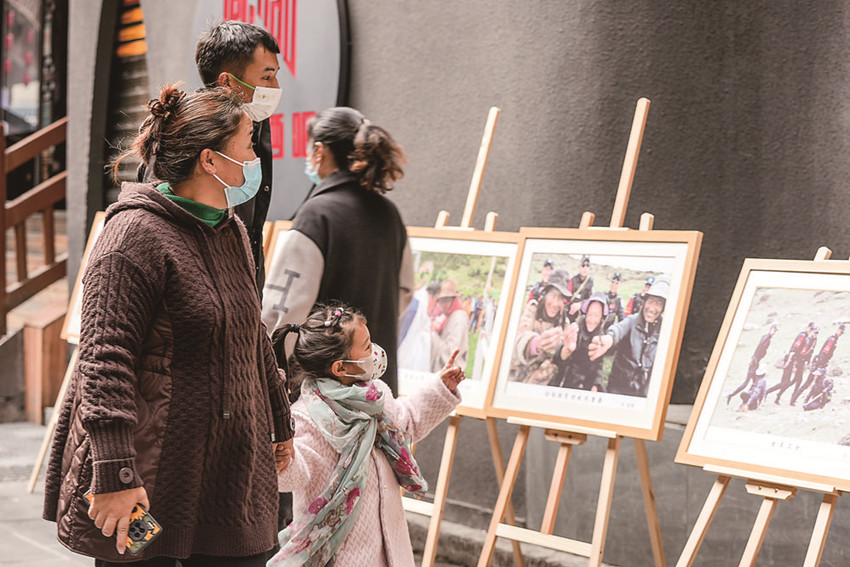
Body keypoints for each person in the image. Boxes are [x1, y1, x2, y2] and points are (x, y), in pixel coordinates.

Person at [43, 85, 294, 566]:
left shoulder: (230, 228)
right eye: (248, 144)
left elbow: (251, 332)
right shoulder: (133, 235)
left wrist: (279, 418)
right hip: (151, 473)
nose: (256, 157)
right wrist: (115, 472)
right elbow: (103, 360)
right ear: (210, 160)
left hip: (229, 470)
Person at [269, 304, 463, 566]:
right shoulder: (306, 416)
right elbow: (300, 469)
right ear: (340, 368)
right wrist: (284, 462)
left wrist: (441, 388)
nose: (376, 352)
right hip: (343, 553)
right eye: (368, 347)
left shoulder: (375, 395)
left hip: (389, 545)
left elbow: (405, 422)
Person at [261, 106, 413, 396]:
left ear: (319, 150)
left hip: (323, 398)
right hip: (376, 391)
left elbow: (282, 312)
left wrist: (269, 375)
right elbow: (404, 293)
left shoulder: (316, 215)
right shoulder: (389, 213)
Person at [136, 21, 282, 294]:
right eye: (267, 77)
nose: (275, 86)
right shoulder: (183, 138)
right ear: (227, 82)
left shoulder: (257, 126)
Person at [588, 276, 669, 397]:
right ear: (644, 302)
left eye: (659, 303)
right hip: (618, 387)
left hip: (642, 392)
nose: (652, 308)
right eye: (650, 301)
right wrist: (608, 339)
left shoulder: (665, 331)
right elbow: (619, 329)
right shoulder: (632, 320)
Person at [510, 268, 571, 385]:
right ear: (545, 294)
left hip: (539, 383)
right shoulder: (532, 309)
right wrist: (536, 344)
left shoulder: (564, 323)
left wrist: (566, 350)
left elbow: (558, 356)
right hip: (516, 376)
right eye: (553, 295)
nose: (555, 303)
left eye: (560, 298)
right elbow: (520, 338)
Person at [552, 292, 608, 390]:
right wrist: (567, 350)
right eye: (589, 315)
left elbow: (598, 364)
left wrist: (596, 384)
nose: (591, 320)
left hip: (586, 381)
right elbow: (558, 359)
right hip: (568, 377)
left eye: (596, 316)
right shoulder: (576, 328)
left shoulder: (601, 335)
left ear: (601, 317)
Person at [791, 323, 844, 405]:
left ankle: (817, 401)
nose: (841, 333)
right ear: (838, 330)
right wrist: (818, 367)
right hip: (819, 366)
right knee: (807, 384)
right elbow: (824, 353)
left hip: (822, 365)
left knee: (820, 384)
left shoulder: (832, 340)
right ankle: (793, 400)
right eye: (840, 331)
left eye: (842, 332)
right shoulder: (831, 340)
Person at [766, 322, 818, 404]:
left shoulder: (808, 338)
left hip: (794, 360)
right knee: (785, 383)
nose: (812, 331)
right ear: (808, 327)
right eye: (811, 329)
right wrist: (790, 362)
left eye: (813, 330)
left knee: (790, 382)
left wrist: (806, 361)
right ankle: (768, 392)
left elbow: (807, 352)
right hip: (791, 359)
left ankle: (784, 398)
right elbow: (794, 350)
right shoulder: (803, 336)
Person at [727, 323, 778, 404]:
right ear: (770, 329)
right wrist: (769, 334)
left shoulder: (767, 339)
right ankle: (731, 395)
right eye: (773, 330)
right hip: (754, 363)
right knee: (746, 383)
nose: (774, 332)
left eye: (775, 331)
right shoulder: (766, 337)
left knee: (755, 383)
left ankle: (751, 399)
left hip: (756, 363)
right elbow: (761, 343)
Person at [430, 279, 470, 372]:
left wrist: (432, 338)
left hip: (450, 372)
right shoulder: (452, 316)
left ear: (448, 302)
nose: (440, 305)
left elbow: (450, 352)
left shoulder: (458, 319)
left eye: (440, 302)